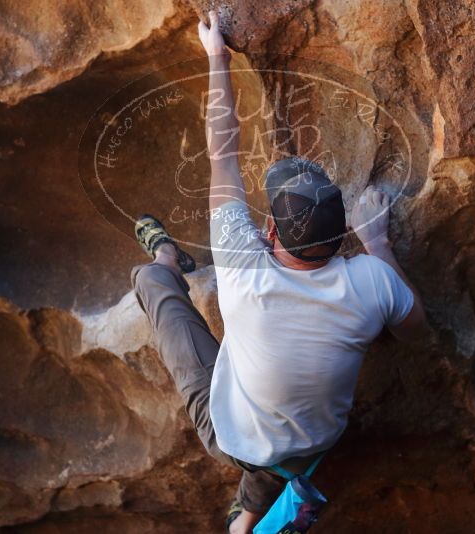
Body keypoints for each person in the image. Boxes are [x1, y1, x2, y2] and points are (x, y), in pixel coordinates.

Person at [130, 11, 429, 534]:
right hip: (314, 441)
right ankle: (249, 516)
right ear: (341, 238)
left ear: (270, 233)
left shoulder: (244, 269)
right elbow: (417, 332)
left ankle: (168, 261)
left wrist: (217, 57)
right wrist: (378, 243)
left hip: (238, 437)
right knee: (280, 438)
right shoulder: (372, 281)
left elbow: (222, 150)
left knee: (152, 286)